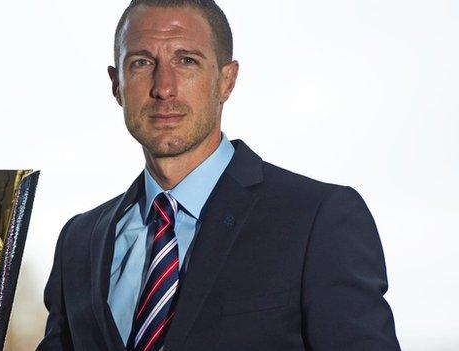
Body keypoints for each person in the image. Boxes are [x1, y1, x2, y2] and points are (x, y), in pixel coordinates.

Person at [37, 0, 401, 350]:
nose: (164, 87)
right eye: (142, 62)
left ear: (226, 80)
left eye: (187, 61)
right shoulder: (79, 242)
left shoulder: (318, 220)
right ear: (117, 84)